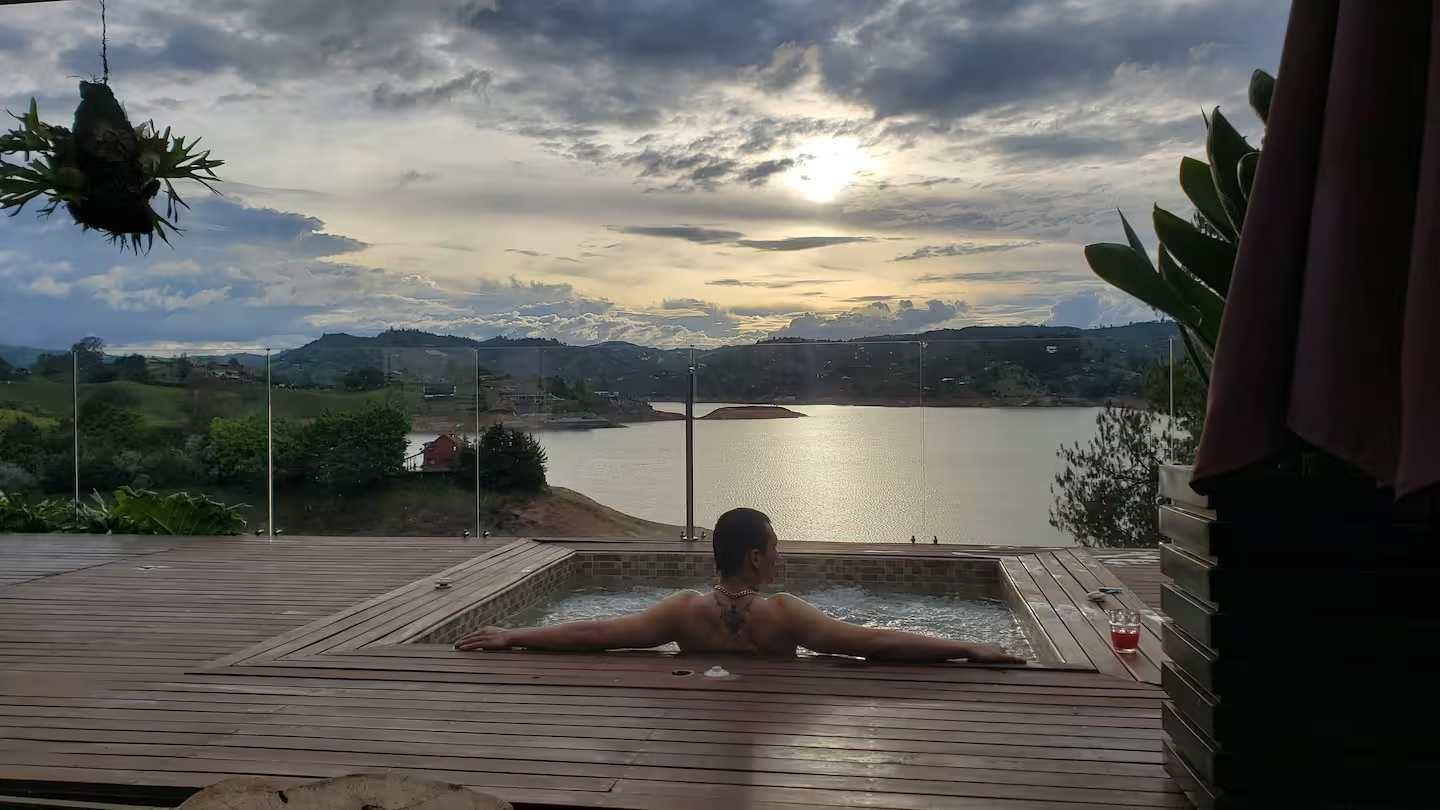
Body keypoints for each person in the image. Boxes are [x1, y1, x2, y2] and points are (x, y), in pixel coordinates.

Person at [455, 507, 1024, 664]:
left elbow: (601, 632)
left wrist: (516, 635)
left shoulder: (683, 611)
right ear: (754, 558)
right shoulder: (784, 614)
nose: (779, 560)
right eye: (774, 551)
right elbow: (870, 643)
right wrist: (966, 646)